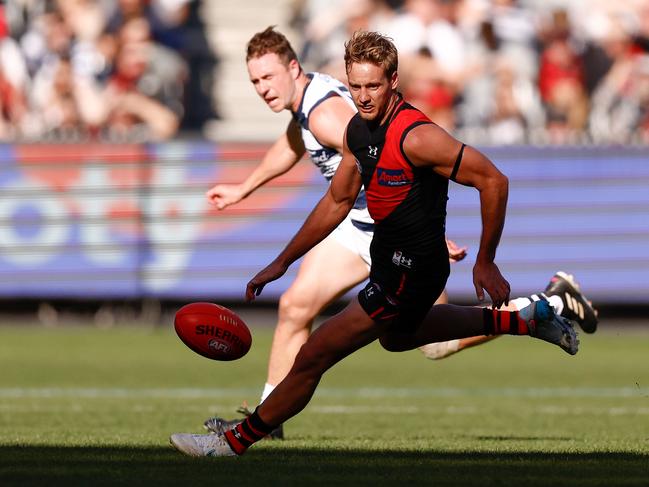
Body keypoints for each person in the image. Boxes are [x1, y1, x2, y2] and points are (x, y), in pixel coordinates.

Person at [170, 30, 581, 457]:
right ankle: (530, 317)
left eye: (373, 87)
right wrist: (282, 261)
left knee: (316, 353)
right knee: (401, 339)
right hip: (387, 257)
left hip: (412, 269)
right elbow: (338, 200)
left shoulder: (418, 137)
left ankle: (232, 442)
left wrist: (486, 261)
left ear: (393, 82)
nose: (363, 97)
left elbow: (494, 180)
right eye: (356, 87)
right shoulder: (359, 129)